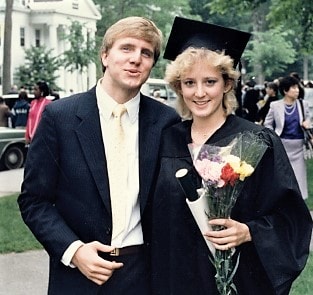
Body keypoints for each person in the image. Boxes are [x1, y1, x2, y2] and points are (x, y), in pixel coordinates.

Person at [17, 16, 180, 295]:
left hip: (145, 275)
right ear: (105, 55)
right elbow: (34, 201)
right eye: (126, 48)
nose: (136, 59)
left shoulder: (166, 122)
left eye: (146, 53)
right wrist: (74, 250)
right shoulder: (60, 118)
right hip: (79, 274)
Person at [151, 17, 312, 295]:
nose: (199, 93)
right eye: (189, 82)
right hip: (175, 280)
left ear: (226, 84)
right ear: (178, 87)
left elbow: (291, 219)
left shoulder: (257, 141)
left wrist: (249, 232)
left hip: (238, 282)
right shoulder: (166, 140)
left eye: (210, 81)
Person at [264, 76, 311, 199]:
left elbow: (308, 119)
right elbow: (267, 123)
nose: (297, 90)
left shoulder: (303, 104)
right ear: (285, 90)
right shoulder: (275, 105)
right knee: (282, 177)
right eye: (294, 88)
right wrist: (273, 136)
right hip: (282, 146)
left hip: (299, 147)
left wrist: (307, 123)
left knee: (299, 177)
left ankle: (299, 203)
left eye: (297, 87)